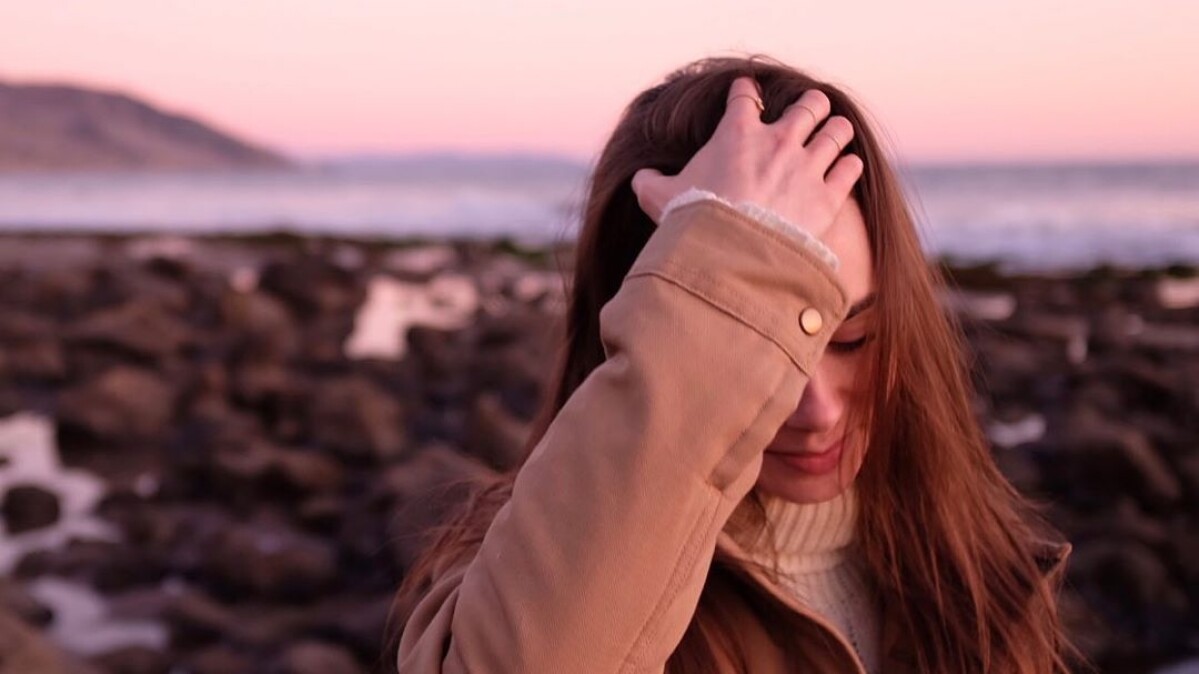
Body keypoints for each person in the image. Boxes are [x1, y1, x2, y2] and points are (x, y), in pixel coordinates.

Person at [389, 55, 1073, 673]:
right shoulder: (506, 586)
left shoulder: (978, 574)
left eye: (854, 338)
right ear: (640, 329)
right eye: (753, 340)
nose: (817, 409)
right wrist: (721, 268)